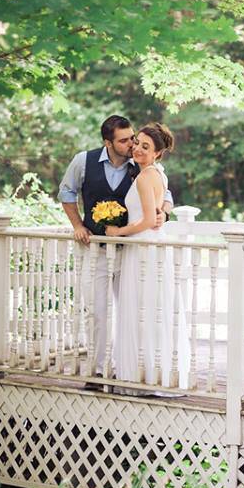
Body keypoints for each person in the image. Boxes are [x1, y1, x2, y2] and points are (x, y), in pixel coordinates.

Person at [58, 115, 173, 378]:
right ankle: (99, 371)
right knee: (97, 312)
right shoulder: (83, 161)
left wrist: (164, 214)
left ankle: (129, 369)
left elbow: (166, 195)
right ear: (107, 142)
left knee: (132, 310)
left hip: (130, 251)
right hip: (96, 250)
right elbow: (66, 193)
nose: (132, 144)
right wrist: (78, 225)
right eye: (125, 141)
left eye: (133, 138)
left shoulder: (141, 165)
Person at [105, 123, 189, 390]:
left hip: (141, 247)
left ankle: (141, 375)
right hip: (151, 246)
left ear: (157, 153)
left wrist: (119, 231)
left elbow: (148, 220)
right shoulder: (157, 175)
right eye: (137, 143)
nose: (138, 149)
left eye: (146, 147)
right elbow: (158, 210)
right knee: (150, 308)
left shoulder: (144, 177)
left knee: (141, 307)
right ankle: (153, 372)